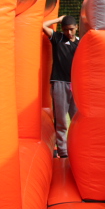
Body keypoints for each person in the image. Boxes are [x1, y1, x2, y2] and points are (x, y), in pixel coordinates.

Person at [43, 15, 80, 158]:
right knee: (61, 120)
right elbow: (43, 26)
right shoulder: (58, 38)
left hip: (75, 84)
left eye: (71, 29)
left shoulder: (80, 43)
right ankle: (63, 152)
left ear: (76, 27)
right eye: (65, 30)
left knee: (76, 119)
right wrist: (58, 20)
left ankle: (76, 149)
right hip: (59, 83)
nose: (68, 33)